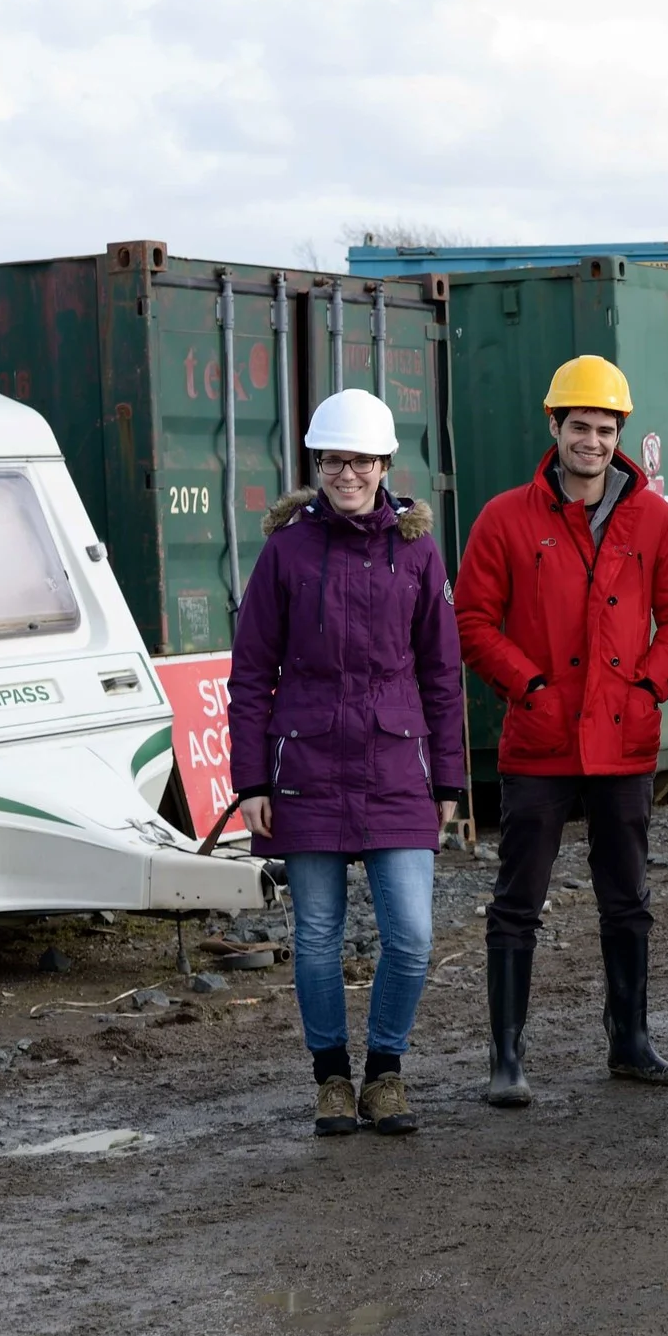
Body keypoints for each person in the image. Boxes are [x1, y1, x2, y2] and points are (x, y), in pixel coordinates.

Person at [456, 354, 668, 1106]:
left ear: (619, 432)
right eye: (578, 427)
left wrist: (650, 683)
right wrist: (527, 684)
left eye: (604, 429)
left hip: (622, 738)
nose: (591, 442)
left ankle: (630, 1041)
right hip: (540, 739)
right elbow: (471, 618)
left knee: (626, 897)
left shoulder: (652, 518)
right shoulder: (507, 518)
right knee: (517, 901)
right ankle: (507, 1056)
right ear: (554, 427)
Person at [228, 390, 464, 1138]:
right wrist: (251, 781)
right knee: (319, 936)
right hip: (307, 769)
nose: (347, 473)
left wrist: (451, 780)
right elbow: (250, 674)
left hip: (396, 769)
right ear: (318, 464)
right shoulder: (286, 552)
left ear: (385, 464)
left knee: (413, 936)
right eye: (334, 459)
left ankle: (384, 1073)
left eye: (360, 460)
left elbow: (441, 673)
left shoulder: (419, 552)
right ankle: (332, 1079)